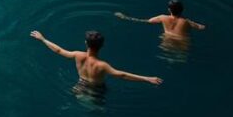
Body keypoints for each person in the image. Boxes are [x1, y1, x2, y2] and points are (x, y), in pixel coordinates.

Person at [29, 30, 162, 91]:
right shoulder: (102, 65)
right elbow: (122, 75)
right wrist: (147, 78)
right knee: (98, 114)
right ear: (102, 46)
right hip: (97, 91)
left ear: (86, 43)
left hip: (79, 86)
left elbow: (58, 50)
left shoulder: (77, 55)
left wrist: (43, 39)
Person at [115, 0, 206, 41]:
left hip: (167, 39)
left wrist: (125, 17)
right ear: (182, 10)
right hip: (182, 41)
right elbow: (201, 27)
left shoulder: (162, 17)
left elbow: (146, 21)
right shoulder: (186, 22)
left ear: (169, 10)